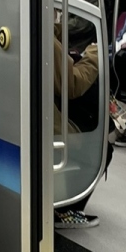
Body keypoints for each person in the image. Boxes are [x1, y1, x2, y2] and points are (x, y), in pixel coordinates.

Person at [53, 22, 101, 230]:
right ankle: (65, 209)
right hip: (50, 124)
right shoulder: (44, 36)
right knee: (99, 146)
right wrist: (94, 54)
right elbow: (72, 84)